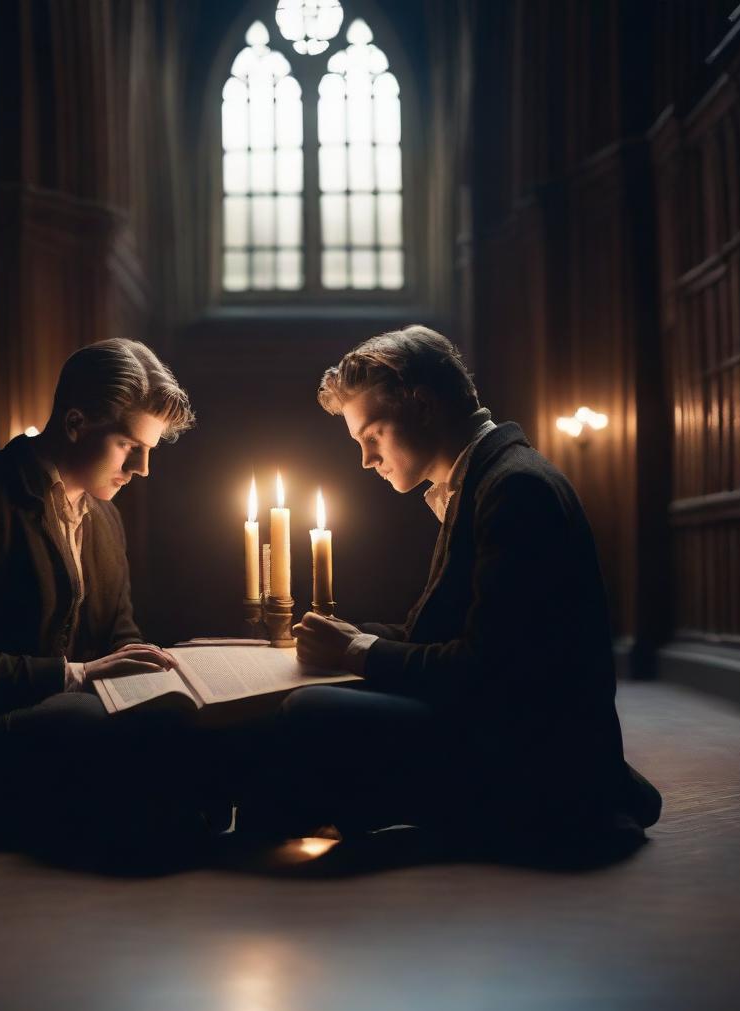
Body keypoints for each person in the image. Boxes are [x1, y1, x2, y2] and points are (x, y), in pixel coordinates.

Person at [281, 325, 660, 854]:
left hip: (532, 757)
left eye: (373, 436)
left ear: (423, 405)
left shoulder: (515, 488)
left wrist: (356, 650)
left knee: (309, 712)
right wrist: (346, 637)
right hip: (502, 725)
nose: (367, 459)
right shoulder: (480, 479)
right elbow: (442, 632)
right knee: (308, 698)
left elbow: (489, 671)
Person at [0, 338, 204, 856]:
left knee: (183, 721)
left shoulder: (105, 518)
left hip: (53, 726)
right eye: (131, 446)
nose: (145, 469)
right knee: (109, 732)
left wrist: (168, 677)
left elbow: (120, 640)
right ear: (76, 423)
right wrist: (76, 674)